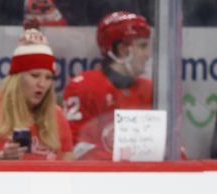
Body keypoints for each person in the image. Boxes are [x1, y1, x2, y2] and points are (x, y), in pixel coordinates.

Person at [0, 22, 73, 161]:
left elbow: (68, 163)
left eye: (48, 78)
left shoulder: (56, 115)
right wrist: (0, 158)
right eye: (35, 75)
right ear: (17, 78)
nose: (42, 84)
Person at [62, 11, 152, 160]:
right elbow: (75, 148)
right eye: (142, 46)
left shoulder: (149, 89)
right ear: (122, 49)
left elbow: (169, 147)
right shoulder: (84, 87)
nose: (148, 54)